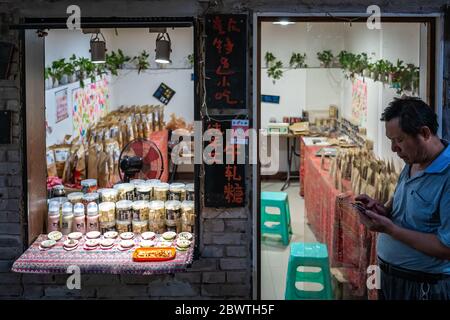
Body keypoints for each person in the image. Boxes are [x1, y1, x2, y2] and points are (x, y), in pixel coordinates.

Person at [356, 97, 450, 300]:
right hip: (390, 277)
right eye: (391, 140)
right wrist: (383, 210)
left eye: (399, 140)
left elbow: (446, 248)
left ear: (424, 133)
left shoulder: (447, 175)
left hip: (424, 286)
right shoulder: (413, 160)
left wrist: (389, 229)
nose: (393, 149)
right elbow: (403, 203)